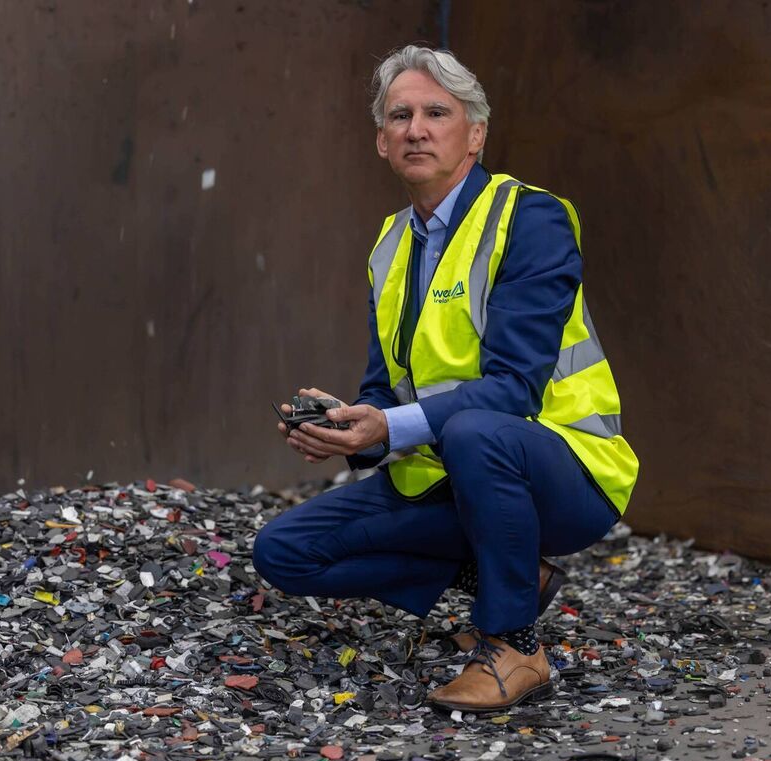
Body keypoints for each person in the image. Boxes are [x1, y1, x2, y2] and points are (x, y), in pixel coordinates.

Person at [253, 45, 639, 712]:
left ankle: (514, 642)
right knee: (284, 550)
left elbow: (516, 387)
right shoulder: (389, 243)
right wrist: (350, 428)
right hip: (458, 478)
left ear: (476, 134)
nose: (416, 128)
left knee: (476, 431)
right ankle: (512, 574)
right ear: (381, 141)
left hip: (568, 471)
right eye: (400, 115)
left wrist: (392, 424)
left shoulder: (530, 219)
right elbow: (387, 389)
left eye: (438, 112)